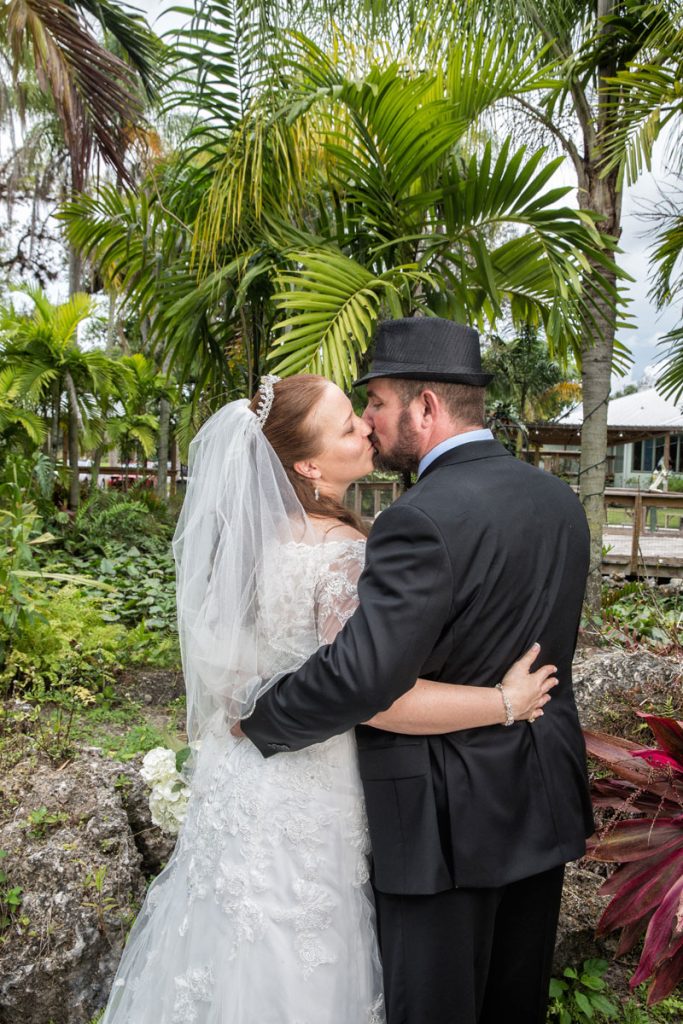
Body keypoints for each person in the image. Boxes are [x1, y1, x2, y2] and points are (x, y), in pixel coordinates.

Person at [98, 372, 556, 1024]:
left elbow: (231, 688)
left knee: (222, 950)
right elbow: (373, 696)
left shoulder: (244, 547)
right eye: (348, 425)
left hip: (244, 786)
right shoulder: (342, 554)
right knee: (305, 959)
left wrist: (255, 707)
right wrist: (503, 703)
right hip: (314, 796)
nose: (368, 426)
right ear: (309, 464)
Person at [241, 320, 595, 1024]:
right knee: (510, 1001)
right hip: (539, 797)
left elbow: (362, 677)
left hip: (440, 823)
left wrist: (261, 716)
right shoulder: (558, 502)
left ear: (425, 407)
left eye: (373, 404)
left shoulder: (419, 517)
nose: (369, 424)